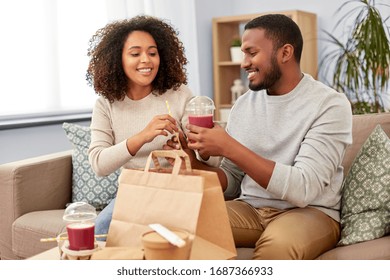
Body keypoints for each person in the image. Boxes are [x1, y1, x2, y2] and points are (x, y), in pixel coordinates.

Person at [165, 14, 352, 259]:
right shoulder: (244, 105)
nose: (244, 63)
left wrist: (229, 147)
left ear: (285, 53)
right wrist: (193, 163)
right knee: (176, 224)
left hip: (310, 212)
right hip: (250, 209)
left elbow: (304, 189)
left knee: (278, 246)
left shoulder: (329, 105)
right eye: (243, 54)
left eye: (251, 53)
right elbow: (232, 183)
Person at [86, 15, 193, 237]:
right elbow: (99, 164)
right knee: (98, 235)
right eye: (135, 54)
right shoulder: (106, 104)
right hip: (133, 192)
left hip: (176, 191)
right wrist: (143, 136)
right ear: (118, 59)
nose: (146, 60)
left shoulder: (180, 95)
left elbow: (211, 159)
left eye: (152, 53)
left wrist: (187, 146)